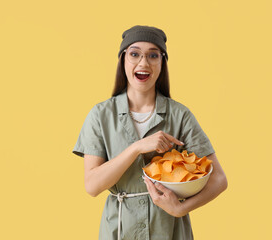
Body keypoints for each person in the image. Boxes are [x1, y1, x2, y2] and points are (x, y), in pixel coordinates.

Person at [72, 25, 228, 240]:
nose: (143, 63)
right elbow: (92, 185)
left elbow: (219, 179)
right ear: (123, 60)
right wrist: (136, 148)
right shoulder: (100, 115)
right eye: (134, 54)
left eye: (153, 55)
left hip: (169, 230)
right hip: (119, 229)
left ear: (162, 62)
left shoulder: (180, 115)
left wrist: (181, 209)